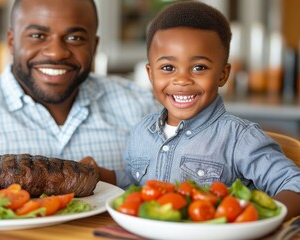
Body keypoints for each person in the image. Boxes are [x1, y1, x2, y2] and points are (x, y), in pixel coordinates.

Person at [86, 1, 300, 220]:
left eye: (199, 68)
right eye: (168, 68)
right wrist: (101, 173)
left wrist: (256, 221)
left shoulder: (238, 138)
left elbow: (294, 184)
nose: (181, 80)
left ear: (223, 75)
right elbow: (134, 182)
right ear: (151, 74)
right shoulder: (140, 132)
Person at [0, 0, 160, 183]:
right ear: (11, 41)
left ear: (94, 46)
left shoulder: (141, 108)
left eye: (74, 38)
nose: (56, 52)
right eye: (38, 35)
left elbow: (168, 192)